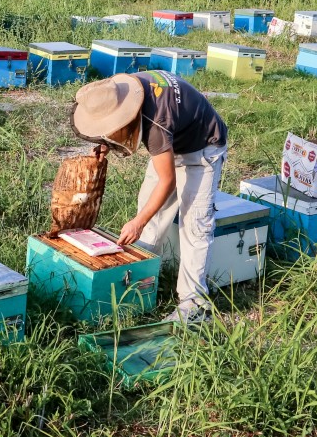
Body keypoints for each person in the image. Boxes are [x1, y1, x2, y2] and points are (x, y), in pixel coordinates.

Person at [70, 70, 228, 324]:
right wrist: (106, 142)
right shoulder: (124, 88)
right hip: (172, 142)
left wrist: (137, 221)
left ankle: (195, 304)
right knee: (151, 212)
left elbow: (168, 181)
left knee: (194, 224)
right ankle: (140, 281)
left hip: (203, 149)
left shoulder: (156, 122)